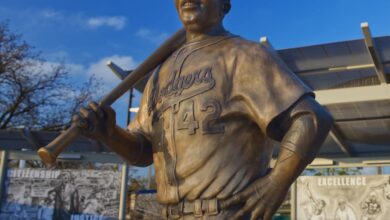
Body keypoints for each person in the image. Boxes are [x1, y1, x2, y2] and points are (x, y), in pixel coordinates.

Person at [74, 0, 333, 219]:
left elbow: (311, 119)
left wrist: (277, 182)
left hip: (225, 212)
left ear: (224, 4)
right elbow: (143, 151)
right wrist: (109, 134)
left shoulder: (245, 55)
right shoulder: (159, 75)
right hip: (166, 212)